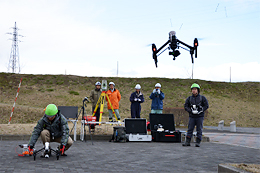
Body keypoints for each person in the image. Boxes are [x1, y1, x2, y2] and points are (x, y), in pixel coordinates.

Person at [183, 83, 209, 147]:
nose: (194, 90)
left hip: (199, 116)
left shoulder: (202, 98)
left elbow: (206, 105)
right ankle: (187, 141)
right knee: (190, 129)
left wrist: (201, 110)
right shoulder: (189, 98)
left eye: (195, 89)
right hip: (192, 116)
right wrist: (190, 111)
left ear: (198, 90)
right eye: (193, 89)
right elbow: (186, 106)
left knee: (199, 129)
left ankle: (198, 142)